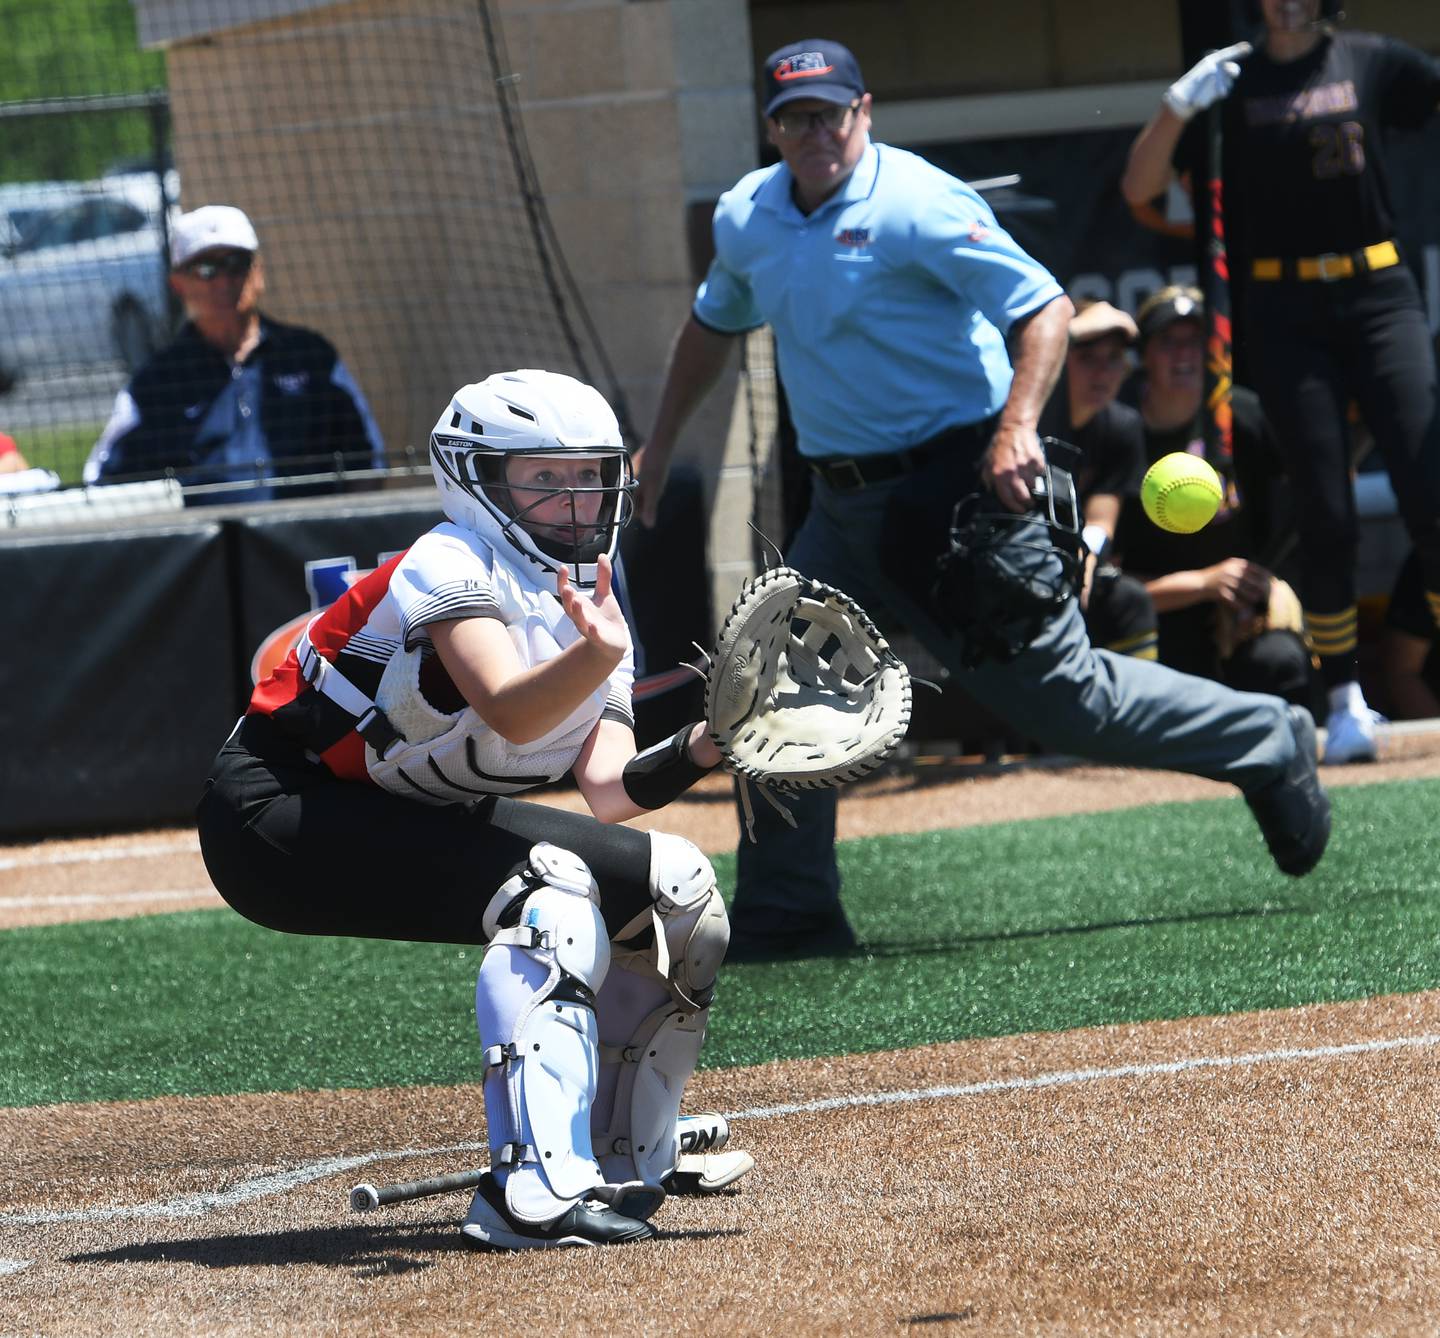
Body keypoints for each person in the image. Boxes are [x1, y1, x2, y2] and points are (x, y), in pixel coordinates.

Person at [636, 38, 1331, 960]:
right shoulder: (747, 216)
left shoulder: (918, 202)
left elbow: (1041, 309)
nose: (815, 132)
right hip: (841, 511)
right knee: (774, 688)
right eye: (795, 117)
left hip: (960, 493)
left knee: (1066, 705)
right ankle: (790, 911)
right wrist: (661, 440)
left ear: (864, 111)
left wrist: (1013, 432)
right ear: (771, 127)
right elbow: (713, 323)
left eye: (831, 113)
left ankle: (1269, 738)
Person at [196, 368, 748, 1251]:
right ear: (477, 480)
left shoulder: (593, 600)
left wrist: (711, 744)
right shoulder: (449, 559)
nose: (573, 503)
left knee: (680, 889)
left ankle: (614, 1153)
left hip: (408, 806)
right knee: (553, 896)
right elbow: (509, 706)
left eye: (588, 478)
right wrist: (598, 649)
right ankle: (529, 1196)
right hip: (276, 815)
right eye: (543, 478)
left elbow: (609, 790)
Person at [1120, 0, 1440, 763]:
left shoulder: (1371, 57)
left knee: (1431, 492)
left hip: (1378, 292)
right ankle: (1344, 701)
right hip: (1284, 309)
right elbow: (1141, 189)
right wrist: (1176, 106)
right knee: (1326, 508)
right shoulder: (1231, 80)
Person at [84, 205, 384, 504]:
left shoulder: (311, 356)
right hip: (205, 549)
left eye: (236, 263)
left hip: (310, 544)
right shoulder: (154, 384)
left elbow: (369, 463)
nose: (224, 281)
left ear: (258, 272)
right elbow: (101, 483)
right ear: (178, 284)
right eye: (206, 269)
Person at [1112, 285, 1315, 708]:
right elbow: (1106, 588)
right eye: (1168, 342)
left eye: (1196, 341)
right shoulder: (1118, 429)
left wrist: (1269, 582)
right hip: (1151, 618)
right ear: (1144, 354)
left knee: (1280, 660)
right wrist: (1204, 584)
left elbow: (1308, 503)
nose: (1184, 354)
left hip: (1237, 612)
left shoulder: (1242, 415)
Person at [1037, 299, 1157, 661]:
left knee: (1129, 600)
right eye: (1087, 358)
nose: (1102, 373)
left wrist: (1084, 553)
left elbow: (1102, 519)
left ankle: (1139, 711)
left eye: (1114, 359)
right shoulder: (1028, 415)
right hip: (1017, 555)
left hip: (1071, 561)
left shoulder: (1122, 427)